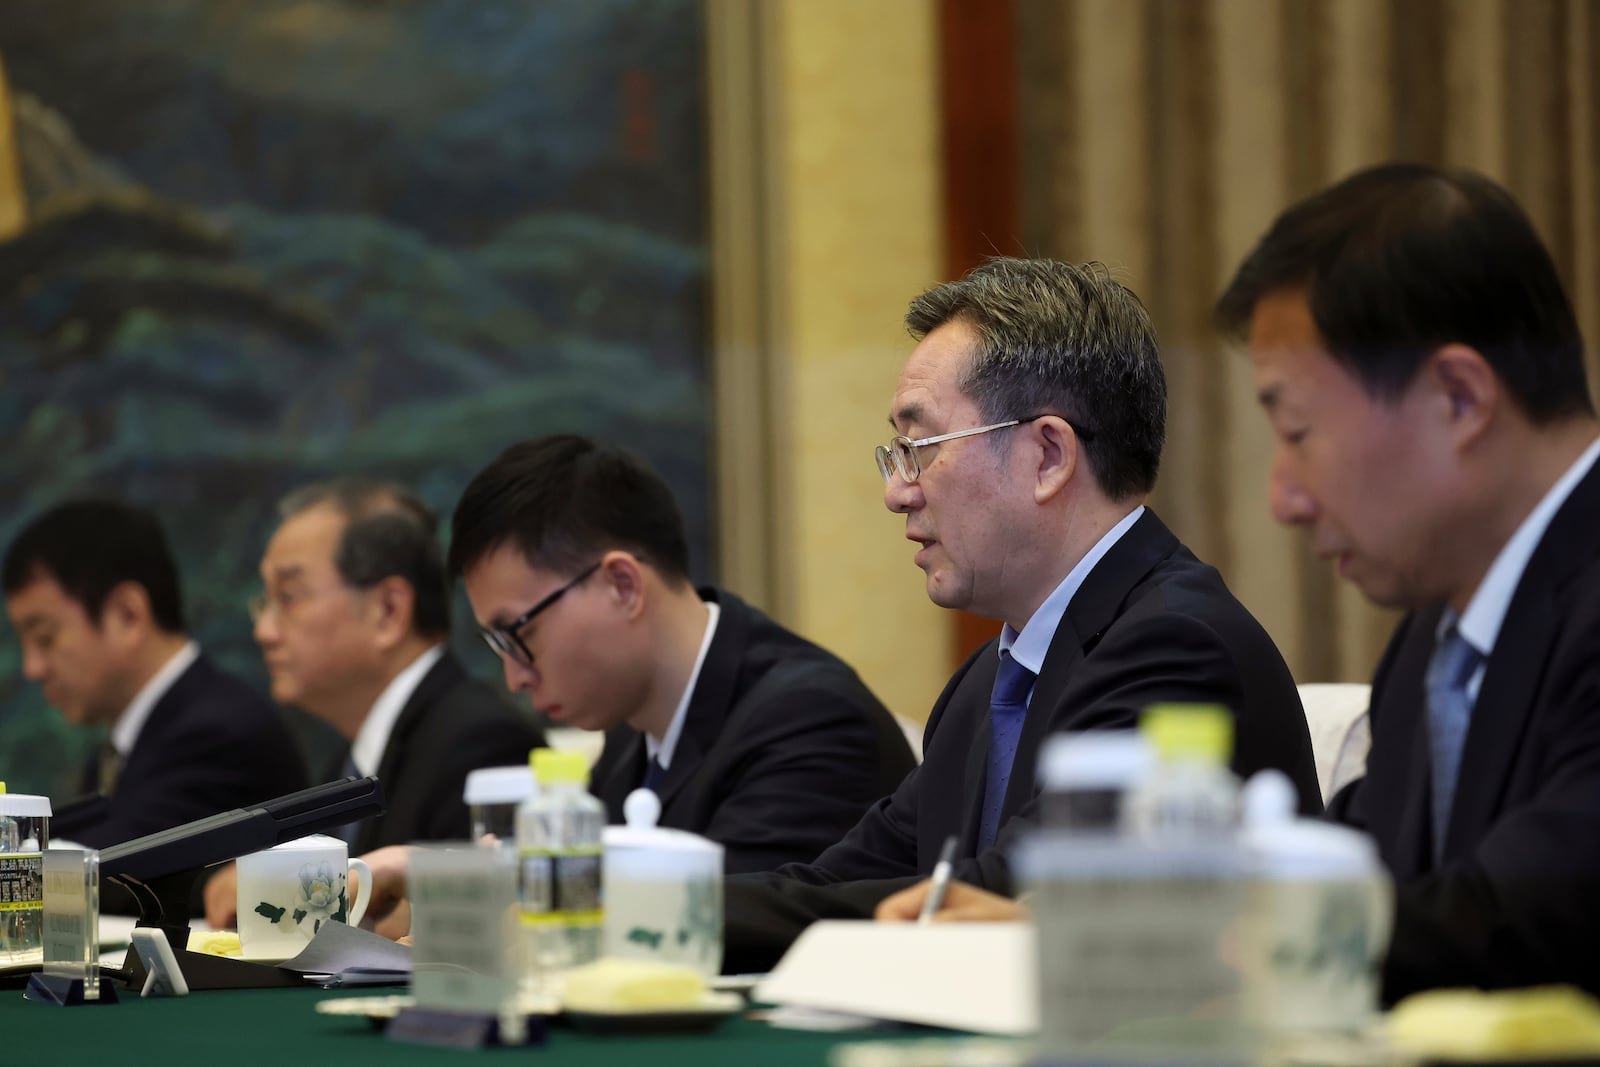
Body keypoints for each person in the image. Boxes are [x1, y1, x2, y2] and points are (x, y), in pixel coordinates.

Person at [720, 257, 1322, 973]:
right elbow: (840, 879)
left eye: (919, 447)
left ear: (1047, 455)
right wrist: (627, 907)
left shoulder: (1176, 644)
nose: (897, 492)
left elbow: (1008, 895)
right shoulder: (990, 678)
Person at [1210, 162, 1600, 1000]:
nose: (1283, 497)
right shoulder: (1432, 635)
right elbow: (1375, 865)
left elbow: (1537, 913)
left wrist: (1201, 929)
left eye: (1299, 431)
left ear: (1459, 397)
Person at [450, 434, 916, 874]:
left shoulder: (812, 722)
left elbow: (722, 925)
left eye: (516, 634)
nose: (514, 677)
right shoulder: (629, 735)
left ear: (622, 585)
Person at [203, 479, 545, 928]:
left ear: (388, 610)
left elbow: (462, 932)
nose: (264, 630)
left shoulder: (479, 744)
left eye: (288, 597)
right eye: (264, 602)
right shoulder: (351, 759)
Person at [3, 499, 307, 848]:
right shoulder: (117, 752)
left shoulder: (219, 735)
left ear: (127, 615)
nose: (32, 668)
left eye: (45, 638)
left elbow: (106, 868)